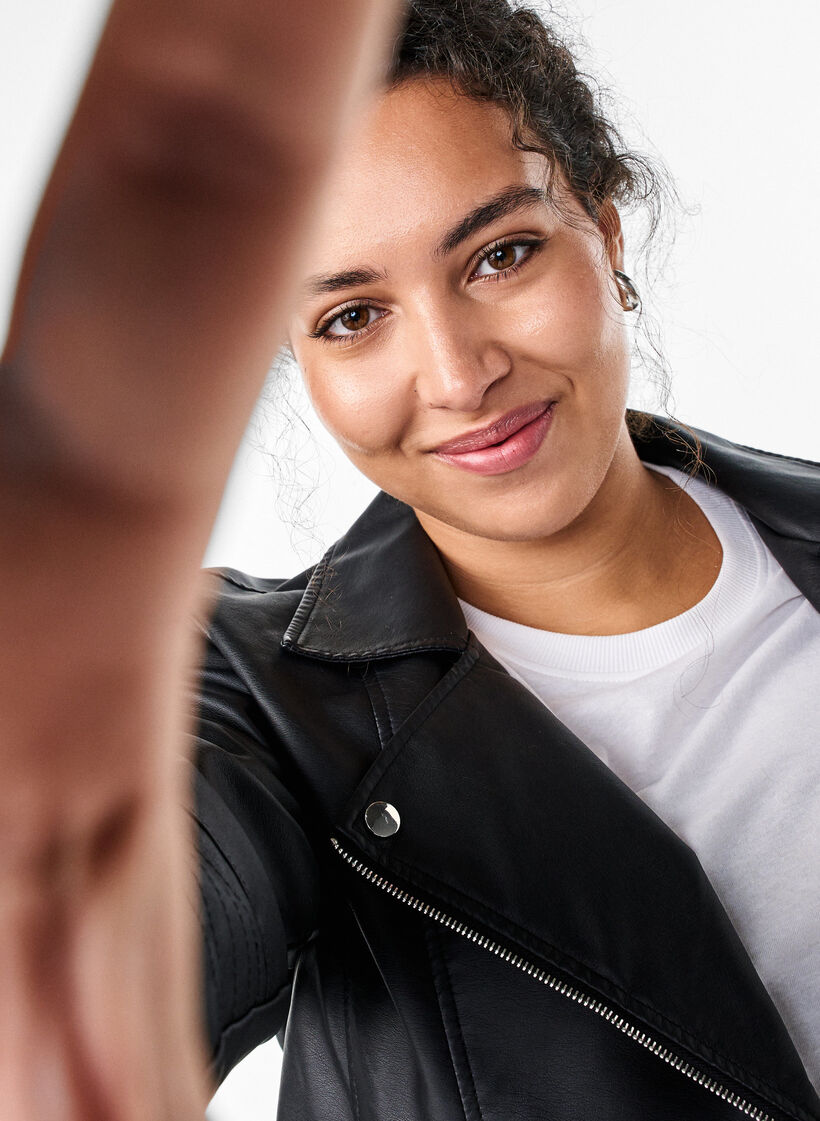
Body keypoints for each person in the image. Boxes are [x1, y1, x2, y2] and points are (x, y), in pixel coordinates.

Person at [2, 3, 818, 1121]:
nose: (454, 371)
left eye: (502, 254)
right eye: (349, 317)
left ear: (609, 235)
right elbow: (85, 987)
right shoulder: (259, 706)